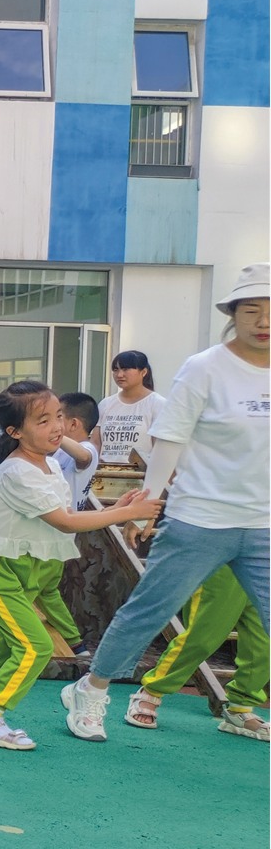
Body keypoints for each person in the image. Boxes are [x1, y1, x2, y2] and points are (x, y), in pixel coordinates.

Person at [62, 264, 270, 742]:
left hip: (263, 525)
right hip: (199, 519)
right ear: (233, 315)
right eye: (252, 310)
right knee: (148, 612)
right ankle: (90, 691)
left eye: (270, 311)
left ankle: (242, 706)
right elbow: (169, 440)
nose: (263, 321)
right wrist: (148, 505)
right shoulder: (205, 367)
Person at [0, 381, 161, 749]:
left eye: (59, 416)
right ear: (15, 432)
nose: (57, 427)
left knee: (6, 643)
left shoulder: (49, 464)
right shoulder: (18, 472)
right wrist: (128, 513)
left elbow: (67, 514)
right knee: (35, 646)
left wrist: (115, 510)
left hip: (26, 567)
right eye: (43, 420)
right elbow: (64, 523)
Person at [124, 567, 267, 738]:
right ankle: (152, 690)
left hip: (262, 559)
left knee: (263, 642)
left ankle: (240, 709)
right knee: (202, 637)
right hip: (224, 558)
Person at [94, 350, 167, 465]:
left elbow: (160, 449)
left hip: (139, 477)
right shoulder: (106, 404)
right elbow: (96, 443)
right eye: (115, 370)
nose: (119, 375)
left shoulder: (158, 404)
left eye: (125, 369)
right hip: (103, 476)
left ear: (143, 372)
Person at [53, 393, 100, 510]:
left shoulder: (88, 447)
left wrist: (53, 433)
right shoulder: (58, 449)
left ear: (73, 424)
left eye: (58, 417)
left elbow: (84, 457)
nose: (52, 422)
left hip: (68, 522)